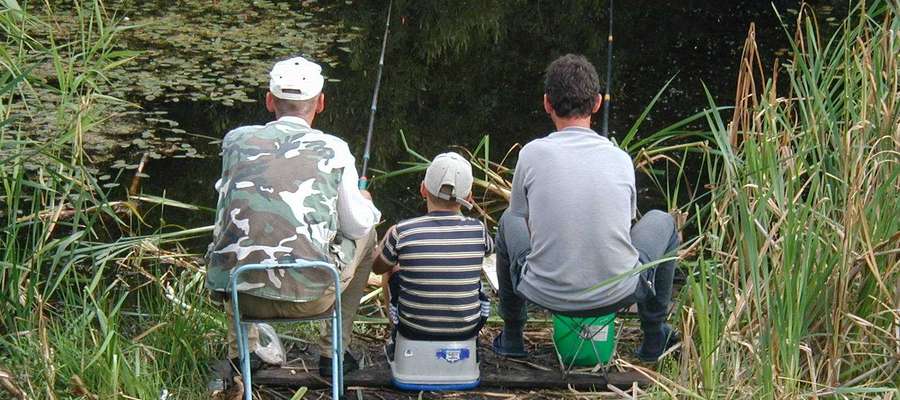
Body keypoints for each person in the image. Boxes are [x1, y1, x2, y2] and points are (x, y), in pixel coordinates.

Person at [491, 54, 681, 362]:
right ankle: (654, 336)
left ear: (547, 104)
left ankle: (513, 336)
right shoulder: (620, 158)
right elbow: (627, 222)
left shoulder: (531, 154)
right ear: (596, 103)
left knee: (507, 221)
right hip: (617, 293)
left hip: (543, 293)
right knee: (663, 221)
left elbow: (520, 218)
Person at [205, 56, 381, 377]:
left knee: (234, 231)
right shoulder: (335, 149)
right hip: (311, 299)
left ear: (270, 100)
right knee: (367, 234)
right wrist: (366, 203)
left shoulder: (235, 141)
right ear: (321, 103)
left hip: (241, 295)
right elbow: (357, 225)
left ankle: (241, 352)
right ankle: (333, 354)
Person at [372, 152, 492, 348]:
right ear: (469, 197)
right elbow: (487, 250)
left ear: (423, 189)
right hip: (468, 327)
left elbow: (377, 267)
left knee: (391, 269)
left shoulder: (402, 231)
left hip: (413, 328)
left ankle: (395, 330)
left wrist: (385, 236)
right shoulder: (478, 230)